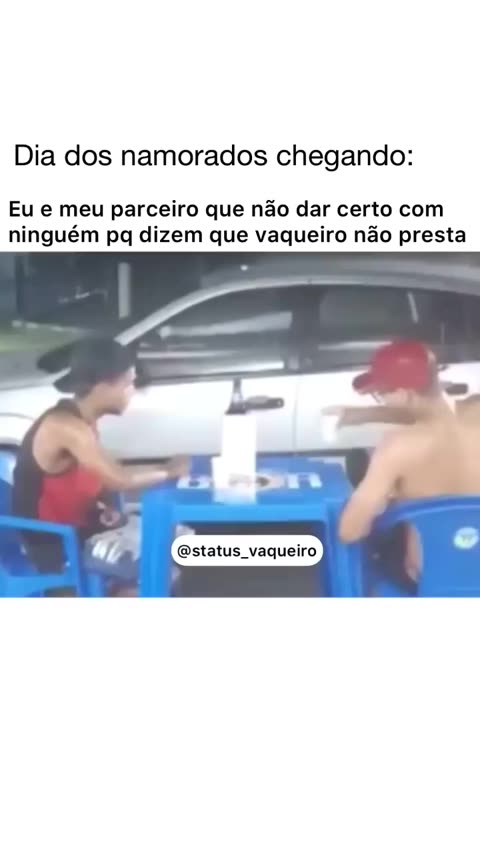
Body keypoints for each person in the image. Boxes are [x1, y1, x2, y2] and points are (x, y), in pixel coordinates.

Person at [12, 337, 190, 588]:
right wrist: (168, 471)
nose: (132, 391)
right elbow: (118, 479)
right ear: (103, 385)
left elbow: (97, 474)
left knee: (174, 542)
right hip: (53, 543)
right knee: (153, 564)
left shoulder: (83, 420)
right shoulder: (65, 426)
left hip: (79, 528)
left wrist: (104, 505)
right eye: (128, 383)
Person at [337, 339, 480, 590]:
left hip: (427, 579)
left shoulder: (398, 446)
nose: (381, 400)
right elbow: (437, 412)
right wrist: (362, 414)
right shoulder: (474, 409)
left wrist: (389, 502)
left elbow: (349, 532)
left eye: (381, 394)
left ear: (404, 393)